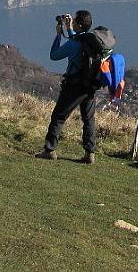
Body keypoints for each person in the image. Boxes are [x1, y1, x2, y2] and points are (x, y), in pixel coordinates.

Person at [37, 9, 102, 164]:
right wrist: (69, 28)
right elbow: (77, 38)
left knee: (59, 116)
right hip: (90, 85)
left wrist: (59, 34)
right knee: (88, 119)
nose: (71, 21)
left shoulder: (74, 44)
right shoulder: (88, 39)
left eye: (74, 21)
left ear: (79, 25)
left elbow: (54, 55)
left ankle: (49, 150)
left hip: (74, 86)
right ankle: (89, 153)